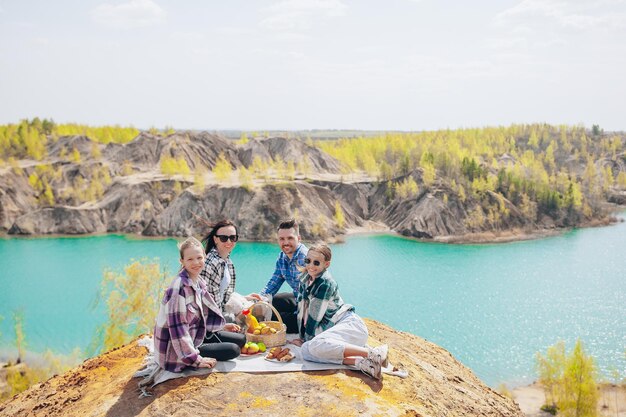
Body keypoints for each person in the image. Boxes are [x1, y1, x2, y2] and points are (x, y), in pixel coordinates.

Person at [288, 243, 388, 380]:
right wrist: (302, 338)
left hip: (350, 326)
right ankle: (361, 363)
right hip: (336, 334)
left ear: (326, 264)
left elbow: (314, 316)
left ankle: (372, 353)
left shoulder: (325, 283)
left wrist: (305, 339)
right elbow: (301, 311)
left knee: (312, 345)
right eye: (308, 261)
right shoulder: (305, 279)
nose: (310, 265)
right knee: (306, 351)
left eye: (316, 262)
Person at [153, 237, 245, 373]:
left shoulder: (198, 282)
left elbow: (200, 315)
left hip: (195, 334)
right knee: (233, 350)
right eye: (190, 259)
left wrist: (223, 326)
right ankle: (193, 355)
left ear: (205, 258)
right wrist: (196, 360)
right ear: (182, 261)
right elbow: (178, 332)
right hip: (176, 352)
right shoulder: (178, 289)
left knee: (241, 339)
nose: (196, 263)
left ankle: (208, 342)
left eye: (199, 258)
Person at [248, 219, 308, 333]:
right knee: (271, 302)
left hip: (309, 308)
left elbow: (311, 295)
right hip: (298, 298)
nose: (285, 242)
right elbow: (273, 283)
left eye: (290, 238)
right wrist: (259, 299)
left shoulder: (305, 259)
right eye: (282, 239)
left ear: (299, 238)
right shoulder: (282, 257)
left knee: (271, 320)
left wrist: (299, 315)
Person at [200, 219, 239, 312]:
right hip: (209, 318)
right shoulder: (212, 263)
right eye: (224, 238)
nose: (229, 241)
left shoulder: (228, 262)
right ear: (215, 239)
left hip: (218, 313)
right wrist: (225, 324)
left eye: (233, 237)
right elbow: (209, 304)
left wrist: (246, 298)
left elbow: (226, 297)